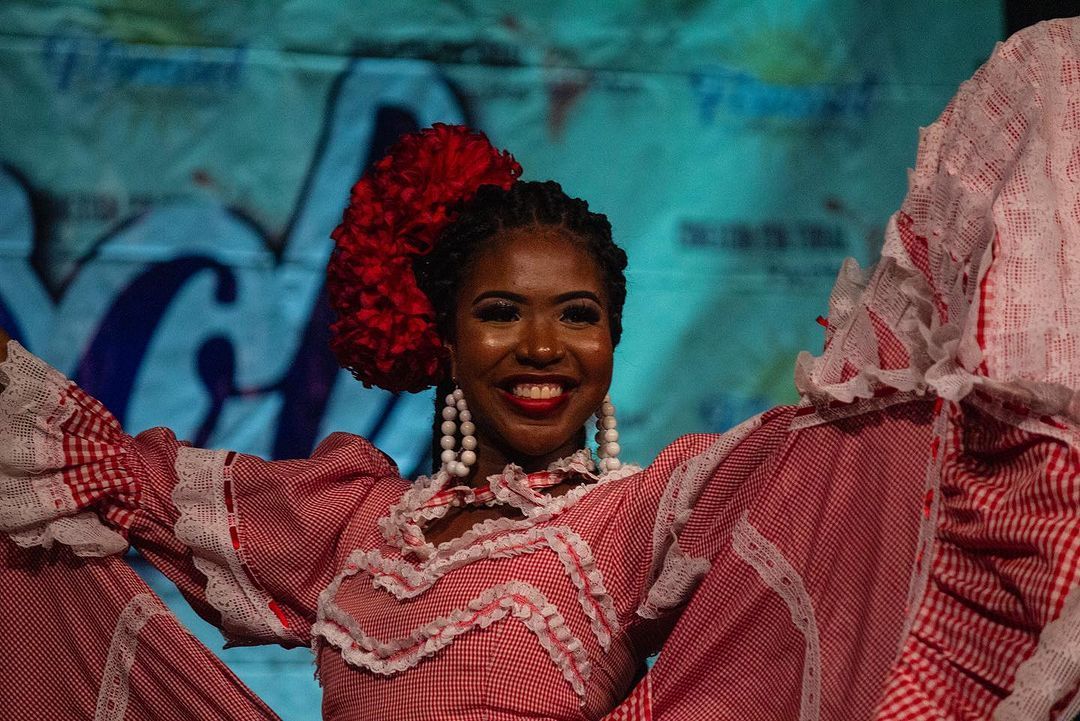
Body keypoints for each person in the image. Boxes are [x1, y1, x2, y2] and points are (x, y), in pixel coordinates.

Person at [3, 16, 1080, 720]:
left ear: (612, 340)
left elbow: (840, 469)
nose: (539, 348)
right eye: (501, 313)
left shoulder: (638, 515)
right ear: (446, 334)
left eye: (577, 316)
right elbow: (98, 472)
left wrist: (966, 368)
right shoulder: (350, 523)